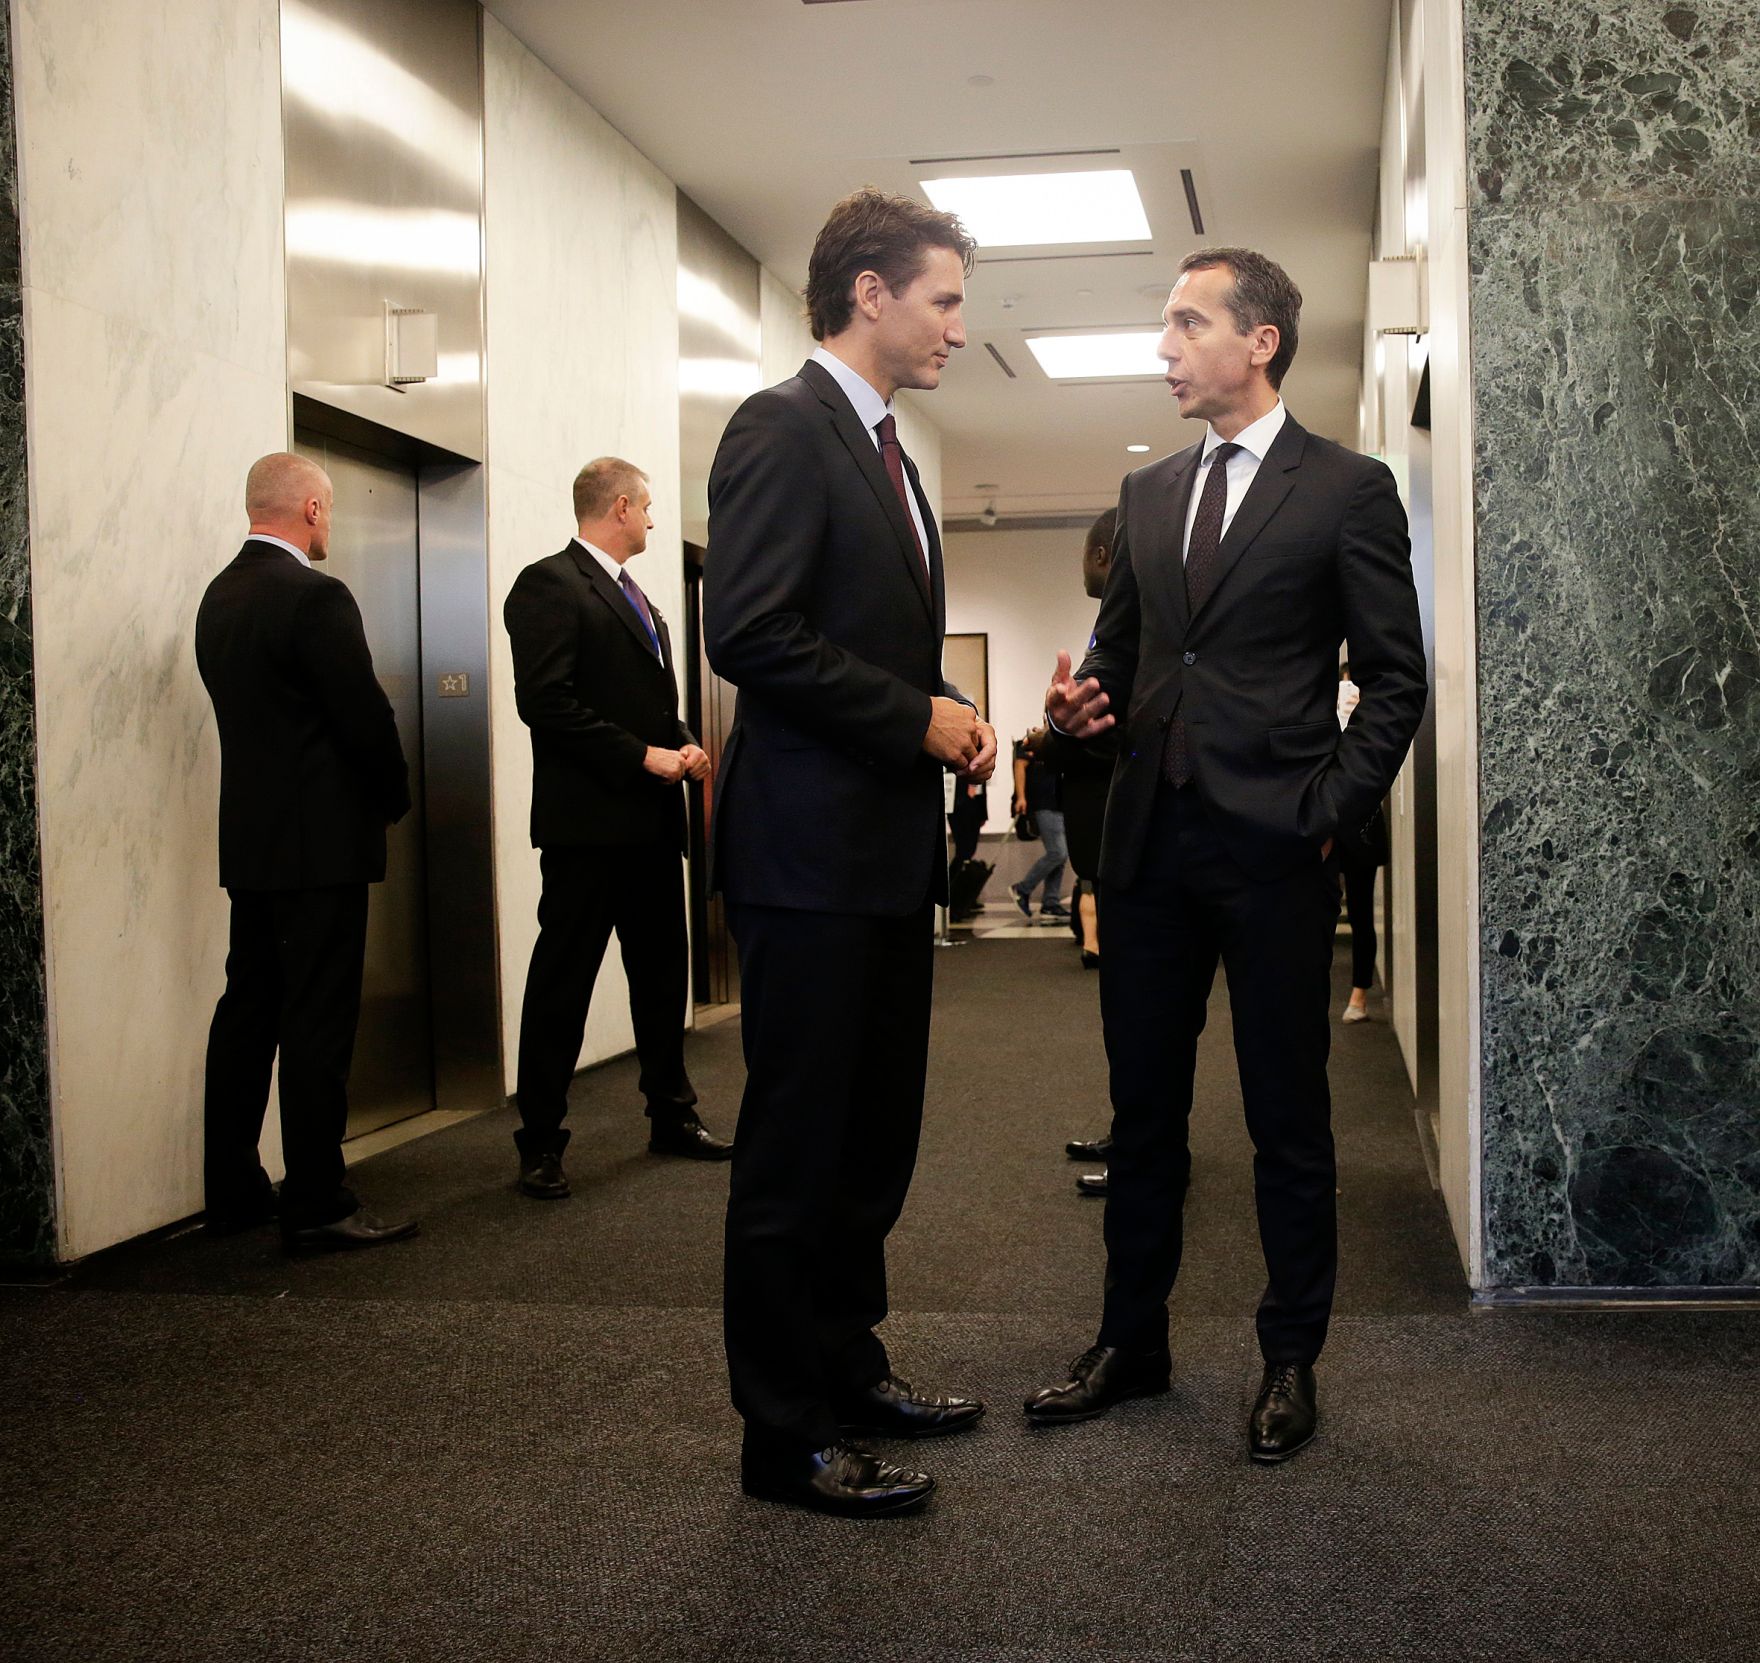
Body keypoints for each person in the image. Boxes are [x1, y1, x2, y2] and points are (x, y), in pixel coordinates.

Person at [1030, 247, 1426, 1463]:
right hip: (1147, 849)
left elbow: (1395, 680)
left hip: (1271, 854)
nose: (1162, 346)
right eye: (1163, 326)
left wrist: (1327, 807)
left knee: (1286, 1119)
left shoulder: (1345, 488)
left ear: (1258, 342)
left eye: (1185, 322)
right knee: (1144, 1114)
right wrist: (1075, 707)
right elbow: (1122, 655)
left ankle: (1288, 1357)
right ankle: (1130, 1343)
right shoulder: (1145, 499)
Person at [705, 188, 995, 1518]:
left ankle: (848, 1364)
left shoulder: (893, 451)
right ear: (867, 292)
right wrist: (916, 714)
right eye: (942, 299)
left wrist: (950, 724)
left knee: (874, 1138)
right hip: (806, 856)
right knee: (799, 1147)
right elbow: (750, 634)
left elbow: (870, 645)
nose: (954, 325)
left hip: (880, 854)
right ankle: (784, 1434)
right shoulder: (782, 425)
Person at [196, 452, 417, 1252]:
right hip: (321, 849)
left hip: (251, 848)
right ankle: (318, 1199)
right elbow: (361, 715)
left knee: (247, 1011)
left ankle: (232, 1190)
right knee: (318, 1020)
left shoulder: (218, 598)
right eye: (332, 510)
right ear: (314, 511)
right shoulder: (316, 597)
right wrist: (393, 796)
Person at [502, 459, 729, 1201]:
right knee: (562, 985)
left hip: (653, 828)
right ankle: (540, 1142)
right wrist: (642, 755)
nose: (655, 523)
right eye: (650, 509)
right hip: (587, 830)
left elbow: (648, 703)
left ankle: (673, 1114)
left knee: (663, 978)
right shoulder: (549, 584)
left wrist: (685, 740)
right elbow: (546, 702)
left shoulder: (642, 602)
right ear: (621, 506)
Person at [1059, 509, 1122, 1195]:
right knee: (1124, 1011)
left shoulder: (1130, 621)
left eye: (1085, 553)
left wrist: (1060, 732)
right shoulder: (1112, 625)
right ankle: (1130, 1130)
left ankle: (1144, 1147)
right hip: (1111, 836)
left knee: (1138, 1013)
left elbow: (1115, 726)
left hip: (1126, 834)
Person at [1335, 662, 1385, 1023]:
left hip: (1361, 826)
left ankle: (1360, 994)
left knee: (1361, 913)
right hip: (1320, 823)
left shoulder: (1371, 725)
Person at [1009, 728, 1067, 919]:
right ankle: (1022, 889)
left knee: (1060, 854)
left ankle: (1050, 902)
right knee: (1057, 852)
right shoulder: (1034, 740)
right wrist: (1021, 797)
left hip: (1059, 804)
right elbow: (1020, 766)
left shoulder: (1060, 741)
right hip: (1043, 803)